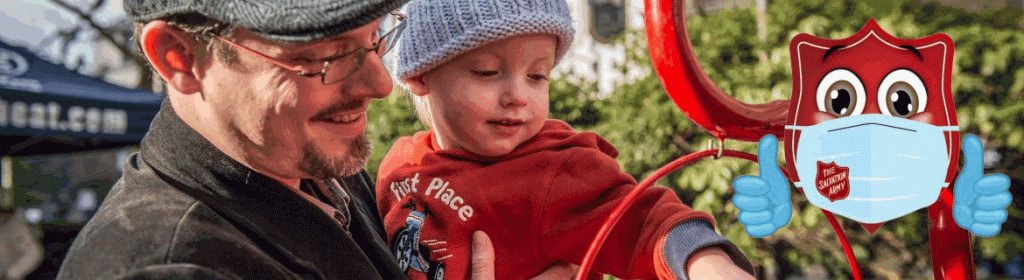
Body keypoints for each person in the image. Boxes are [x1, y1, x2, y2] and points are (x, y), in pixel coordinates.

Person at [55, 1, 574, 279]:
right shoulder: (166, 266)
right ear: (179, 56)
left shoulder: (315, 166)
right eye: (325, 54)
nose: (380, 83)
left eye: (376, 38)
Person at [376, 0, 757, 279]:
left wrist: (707, 263)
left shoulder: (554, 170)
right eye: (487, 71)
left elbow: (640, 219)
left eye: (538, 76)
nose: (517, 96)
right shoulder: (399, 166)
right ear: (420, 75)